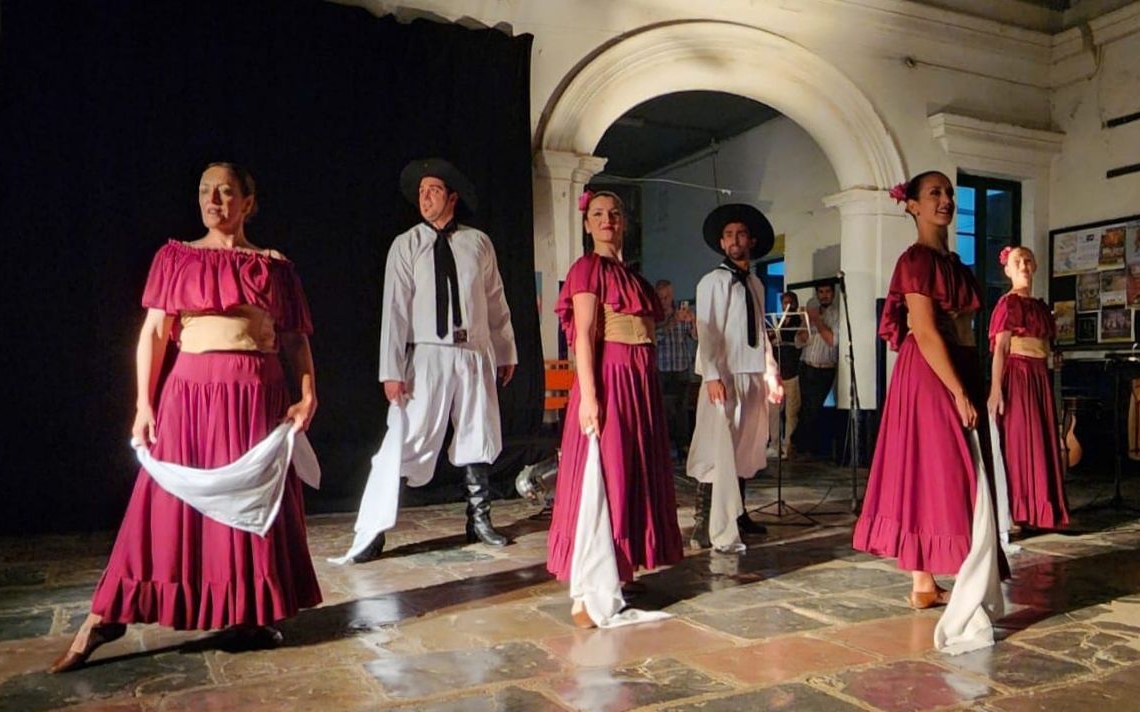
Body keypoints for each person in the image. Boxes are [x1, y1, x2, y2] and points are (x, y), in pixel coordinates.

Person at [49, 162, 321, 673]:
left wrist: (309, 394)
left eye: (224, 191)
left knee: (252, 506)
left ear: (247, 200)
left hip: (256, 400)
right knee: (162, 509)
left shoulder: (273, 266)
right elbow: (153, 334)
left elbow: (294, 339)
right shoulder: (177, 258)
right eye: (204, 192)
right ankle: (106, 615)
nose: (214, 200)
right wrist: (143, 404)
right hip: (191, 398)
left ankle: (246, 614)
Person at [344, 158, 517, 562]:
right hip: (428, 354)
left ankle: (479, 520)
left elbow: (496, 301)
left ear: (452, 197)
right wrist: (391, 370)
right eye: (421, 192)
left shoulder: (478, 243)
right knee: (410, 438)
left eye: (434, 190)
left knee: (479, 433)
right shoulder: (407, 244)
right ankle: (375, 528)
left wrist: (505, 350)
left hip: (473, 352)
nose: (425, 198)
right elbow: (395, 311)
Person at [852, 170, 1002, 608]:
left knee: (940, 466)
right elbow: (923, 329)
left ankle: (923, 582)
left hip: (960, 363)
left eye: (950, 193)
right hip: (933, 371)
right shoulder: (916, 261)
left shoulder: (954, 265)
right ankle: (959, 569)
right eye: (934, 193)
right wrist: (957, 390)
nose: (946, 200)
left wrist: (975, 380)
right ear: (912, 205)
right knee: (949, 469)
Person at [547, 190, 684, 626]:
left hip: (640, 384)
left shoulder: (634, 277)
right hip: (612, 381)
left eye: (615, 214)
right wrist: (589, 396)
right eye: (598, 214)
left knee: (632, 472)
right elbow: (583, 336)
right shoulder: (588, 268)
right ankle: (590, 584)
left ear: (624, 222)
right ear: (587, 224)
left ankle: (619, 566)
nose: (607, 220)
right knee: (606, 475)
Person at [687, 204, 784, 548]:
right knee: (716, 446)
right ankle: (704, 519)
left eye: (740, 234)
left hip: (752, 373)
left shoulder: (755, 283)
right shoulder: (714, 281)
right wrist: (712, 374)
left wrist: (770, 373)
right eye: (728, 235)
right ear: (721, 242)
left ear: (752, 240)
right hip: (724, 376)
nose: (734, 240)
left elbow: (759, 329)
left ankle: (737, 513)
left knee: (745, 449)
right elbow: (708, 329)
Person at [988, 245, 1070, 531]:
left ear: (1034, 266)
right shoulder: (1008, 304)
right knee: (1019, 443)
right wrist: (996, 390)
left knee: (1040, 442)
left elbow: (1046, 346)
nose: (1023, 265)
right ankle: (1012, 512)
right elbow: (1000, 349)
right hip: (1019, 376)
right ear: (1008, 270)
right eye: (1016, 261)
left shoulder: (1039, 307)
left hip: (1039, 377)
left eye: (1027, 260)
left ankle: (1039, 510)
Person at [793, 281, 839, 458]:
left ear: (833, 294)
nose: (824, 295)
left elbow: (832, 341)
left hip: (825, 369)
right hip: (806, 366)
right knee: (805, 408)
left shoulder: (836, 315)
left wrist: (817, 321)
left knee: (814, 409)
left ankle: (802, 446)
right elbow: (798, 342)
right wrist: (806, 326)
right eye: (821, 292)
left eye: (827, 291)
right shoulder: (808, 315)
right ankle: (803, 448)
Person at [654, 279, 698, 459]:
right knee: (663, 410)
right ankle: (663, 446)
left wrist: (693, 320)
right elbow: (654, 338)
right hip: (663, 368)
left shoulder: (682, 313)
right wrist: (670, 323)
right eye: (662, 297)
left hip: (681, 366)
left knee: (682, 409)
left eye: (668, 297)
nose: (665, 301)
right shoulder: (654, 316)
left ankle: (683, 446)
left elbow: (695, 337)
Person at [767, 289, 803, 459]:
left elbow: (796, 339)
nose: (787, 306)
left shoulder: (799, 321)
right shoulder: (777, 322)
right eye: (784, 303)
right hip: (777, 373)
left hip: (792, 372)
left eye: (790, 303)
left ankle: (788, 445)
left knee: (791, 412)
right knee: (773, 411)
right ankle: (774, 444)